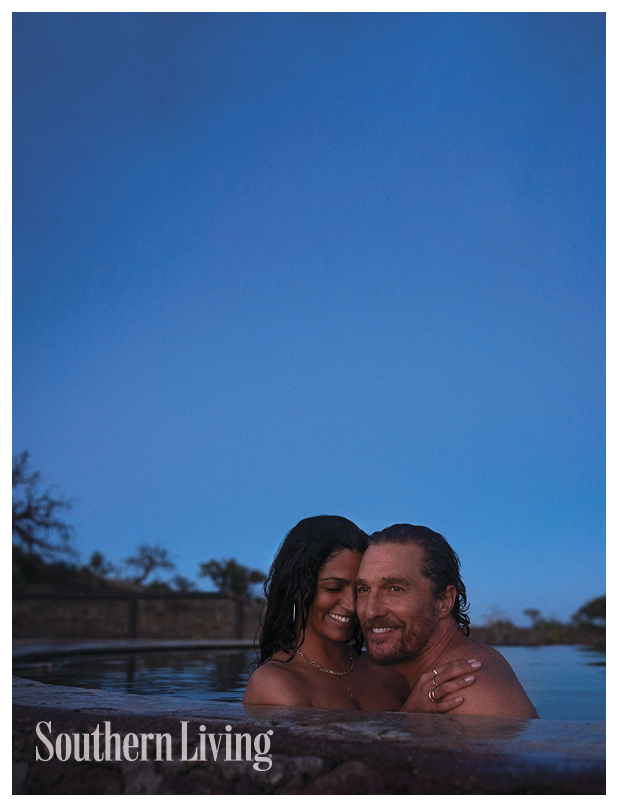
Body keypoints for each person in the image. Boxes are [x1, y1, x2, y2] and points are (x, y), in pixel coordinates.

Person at [243, 515, 481, 711]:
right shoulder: (276, 684)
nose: (352, 605)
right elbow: (309, 768)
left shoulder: (386, 670)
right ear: (296, 590)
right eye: (333, 588)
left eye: (360, 589)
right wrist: (410, 722)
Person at [356, 524, 539, 718]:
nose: (370, 610)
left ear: (444, 601)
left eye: (395, 589)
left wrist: (404, 722)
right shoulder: (468, 656)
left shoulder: (463, 697)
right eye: (364, 589)